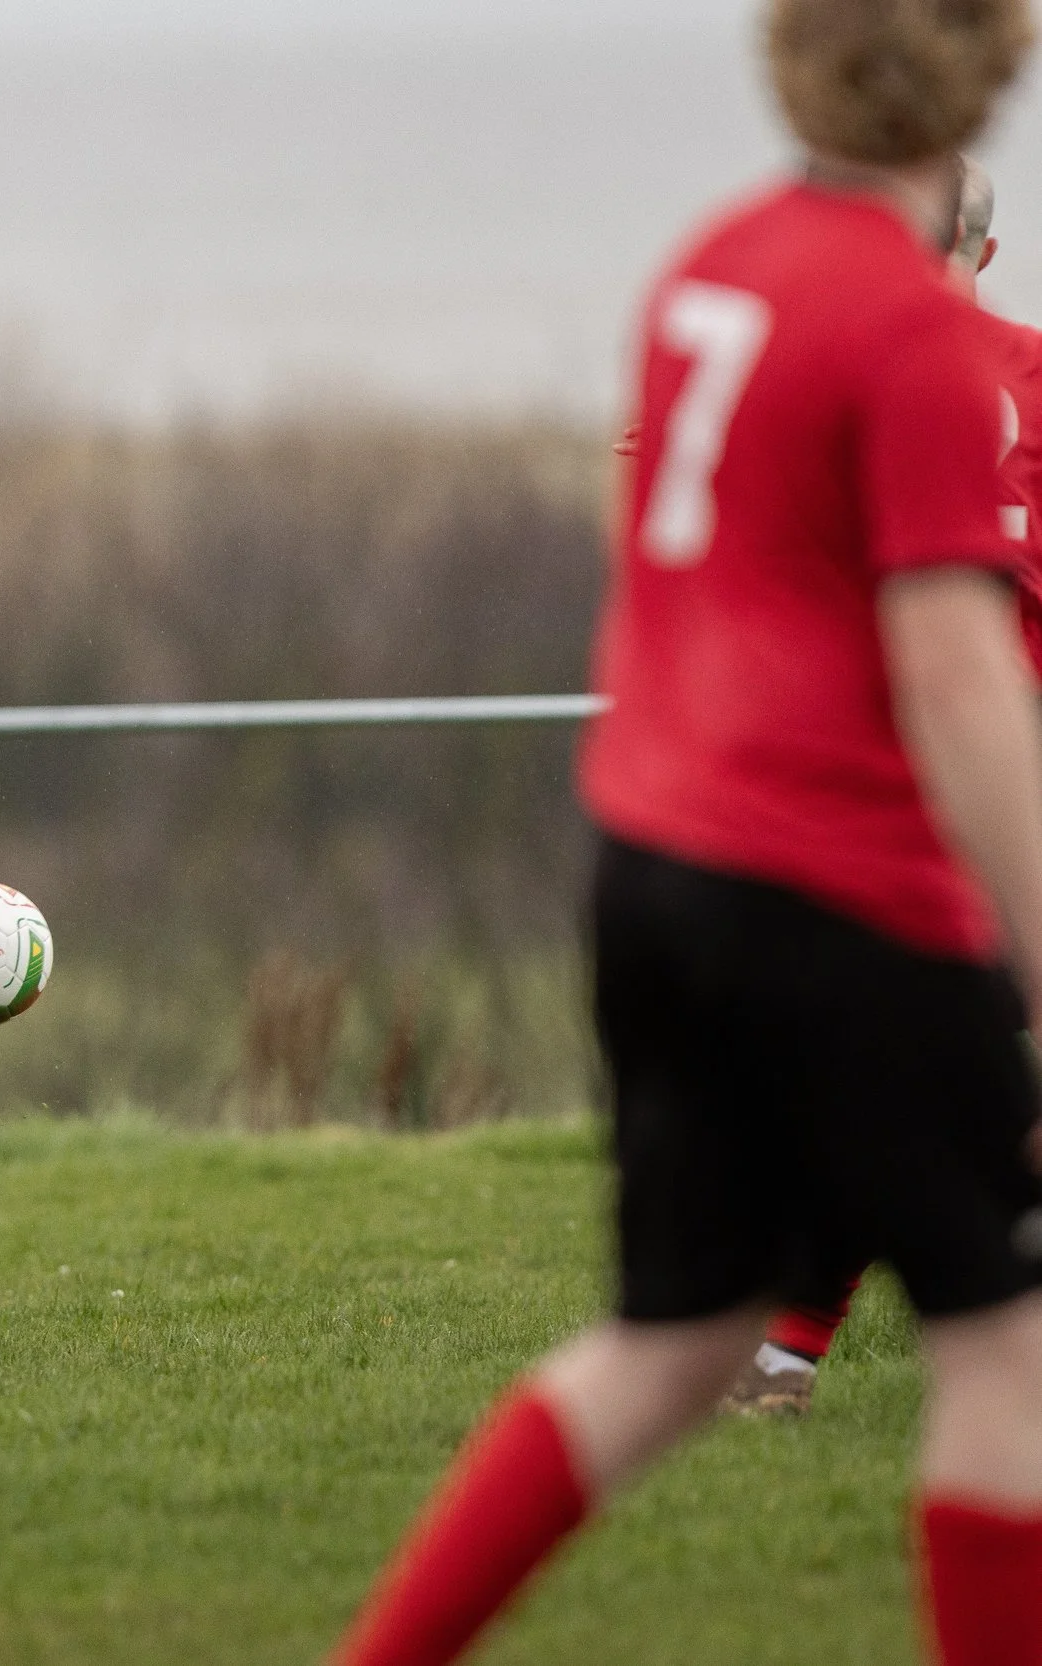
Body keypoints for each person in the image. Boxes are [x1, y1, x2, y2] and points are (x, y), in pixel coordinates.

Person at [332, 2, 1042, 1661]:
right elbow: (956, 680)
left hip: (654, 866)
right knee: (1006, 1352)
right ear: (994, 79)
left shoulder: (706, 269)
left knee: (669, 1346)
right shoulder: (929, 341)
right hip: (841, 895)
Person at [725, 155, 1042, 1417]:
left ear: (977, 255)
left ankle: (781, 1358)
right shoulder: (836, 387)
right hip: (903, 791)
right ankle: (782, 1357)